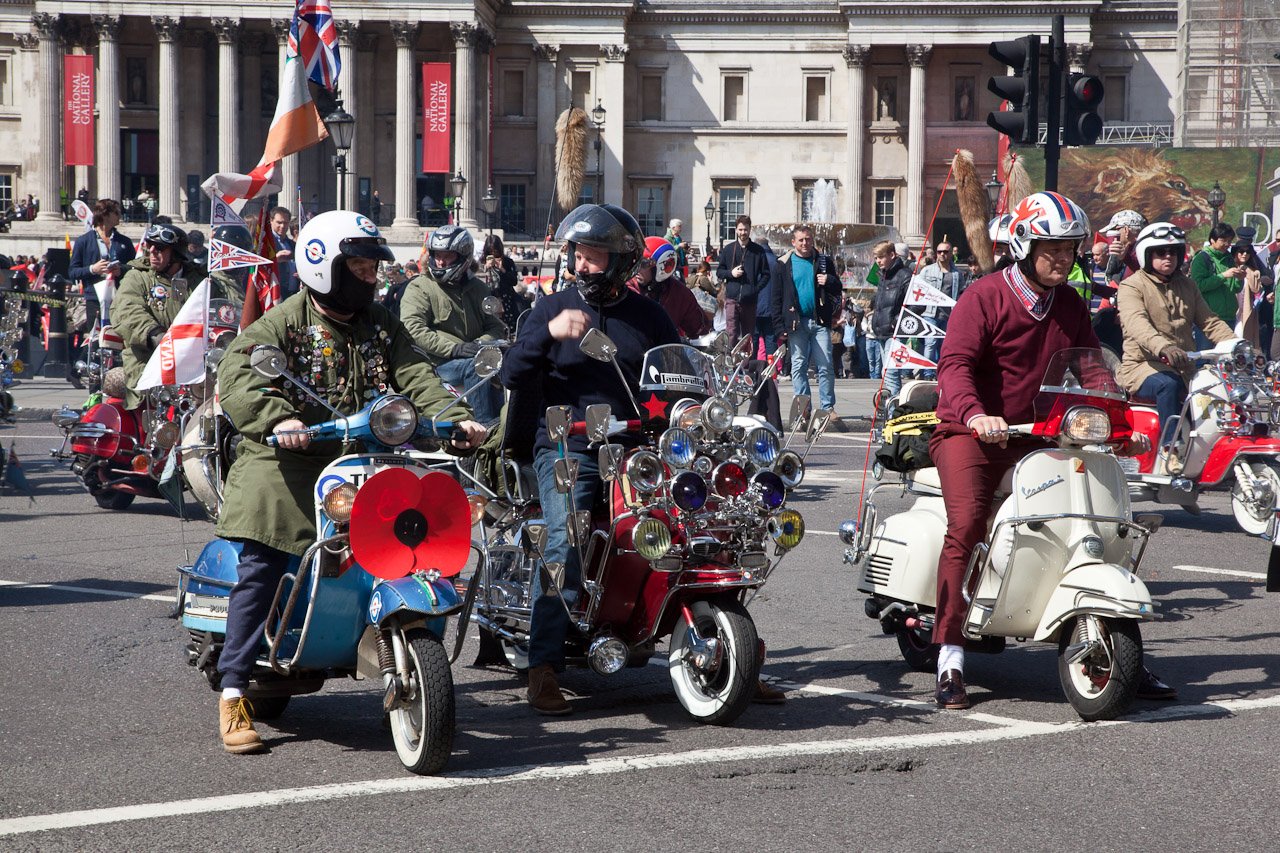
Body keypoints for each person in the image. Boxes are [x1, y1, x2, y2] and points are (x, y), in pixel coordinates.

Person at [211, 210, 487, 754]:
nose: (371, 277)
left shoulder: (381, 323)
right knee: (264, 561)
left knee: (414, 537)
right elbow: (238, 376)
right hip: (289, 461)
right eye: (359, 267)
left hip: (363, 455)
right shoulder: (282, 325)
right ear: (325, 268)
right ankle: (234, 689)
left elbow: (415, 376)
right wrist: (278, 419)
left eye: (371, 267)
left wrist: (456, 419)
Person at [929, 190, 1170, 710]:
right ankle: (950, 653)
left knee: (1100, 516)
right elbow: (955, 366)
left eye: (1070, 248)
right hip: (972, 433)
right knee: (968, 522)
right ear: (1023, 244)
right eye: (1051, 247)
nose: (1063, 257)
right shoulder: (984, 296)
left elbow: (1093, 371)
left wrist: (1125, 420)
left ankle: (1107, 632)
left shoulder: (1069, 304)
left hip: (1042, 433)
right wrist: (975, 415)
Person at [500, 203, 682, 715]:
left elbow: (680, 371)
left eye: (594, 255)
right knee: (567, 536)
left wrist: (688, 408)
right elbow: (512, 373)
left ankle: (722, 641)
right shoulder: (550, 308)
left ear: (622, 262)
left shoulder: (650, 315)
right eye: (578, 254)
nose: (582, 264)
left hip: (636, 447)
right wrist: (549, 332)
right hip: (567, 445)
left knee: (701, 518)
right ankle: (543, 665)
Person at [1116, 222, 1235, 434]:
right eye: (1161, 252)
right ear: (1147, 254)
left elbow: (1210, 321)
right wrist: (1164, 347)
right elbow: (1137, 324)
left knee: (1216, 388)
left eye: (1174, 252)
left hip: (1185, 368)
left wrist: (1238, 345)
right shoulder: (1131, 286)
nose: (1168, 256)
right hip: (1144, 366)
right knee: (1168, 385)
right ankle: (1171, 447)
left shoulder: (1188, 285)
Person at [400, 224, 507, 426]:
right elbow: (413, 329)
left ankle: (506, 428)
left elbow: (495, 326)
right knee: (477, 367)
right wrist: (455, 349)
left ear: (462, 256)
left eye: (447, 255)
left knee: (506, 365)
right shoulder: (419, 287)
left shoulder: (479, 288)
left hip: (474, 357)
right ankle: (483, 429)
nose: (440, 261)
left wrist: (479, 344)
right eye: (437, 255)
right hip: (434, 364)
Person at [111, 223, 207, 409]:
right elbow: (127, 310)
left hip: (195, 361)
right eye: (150, 245)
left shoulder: (199, 280)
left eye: (160, 248)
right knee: (153, 412)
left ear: (177, 254)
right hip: (149, 360)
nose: (152, 251)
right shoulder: (138, 277)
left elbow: (224, 306)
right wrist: (154, 334)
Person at [772, 224, 842, 426]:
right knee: (798, 365)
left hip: (819, 321)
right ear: (793, 242)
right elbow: (776, 298)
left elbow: (838, 288)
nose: (805, 243)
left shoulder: (823, 262)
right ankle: (803, 408)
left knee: (825, 364)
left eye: (808, 239)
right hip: (796, 323)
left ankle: (828, 407)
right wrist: (779, 327)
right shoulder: (783, 264)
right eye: (801, 240)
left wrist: (828, 279)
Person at [69, 199, 136, 344]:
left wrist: (121, 270)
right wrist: (93, 269)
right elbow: (72, 272)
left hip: (120, 298)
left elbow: (134, 268)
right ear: (105, 215)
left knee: (118, 339)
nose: (120, 216)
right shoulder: (83, 241)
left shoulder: (125, 242)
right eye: (116, 213)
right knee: (95, 340)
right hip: (94, 299)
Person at [630, 237, 711, 339]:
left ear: (661, 267)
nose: (637, 269)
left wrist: (707, 340)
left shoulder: (679, 294)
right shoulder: (626, 288)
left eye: (643, 264)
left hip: (663, 351)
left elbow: (699, 329)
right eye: (635, 262)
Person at [915, 240, 972, 377]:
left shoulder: (957, 273)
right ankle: (928, 373)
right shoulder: (927, 271)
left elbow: (961, 293)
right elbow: (917, 288)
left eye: (945, 252)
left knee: (944, 346)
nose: (942, 254)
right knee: (930, 343)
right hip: (930, 313)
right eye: (939, 252)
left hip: (948, 315)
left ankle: (940, 372)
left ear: (951, 253)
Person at [716, 215, 769, 353]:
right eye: (740, 229)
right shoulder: (728, 249)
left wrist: (755, 289)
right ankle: (729, 366)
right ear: (736, 230)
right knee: (731, 334)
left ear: (750, 230)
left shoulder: (758, 251)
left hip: (749, 300)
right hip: (732, 298)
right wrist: (731, 273)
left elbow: (766, 274)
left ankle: (747, 368)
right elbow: (719, 272)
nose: (742, 233)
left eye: (745, 230)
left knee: (748, 337)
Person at [868, 239, 913, 402]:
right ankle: (894, 409)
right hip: (881, 330)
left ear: (892, 255)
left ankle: (895, 412)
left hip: (894, 331)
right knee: (886, 373)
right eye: (876, 258)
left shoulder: (904, 275)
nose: (877, 261)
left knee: (890, 372)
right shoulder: (883, 275)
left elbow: (915, 305)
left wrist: (897, 321)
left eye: (880, 257)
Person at [480, 234, 530, 331]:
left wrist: (502, 269)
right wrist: (485, 267)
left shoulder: (507, 262)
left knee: (507, 326)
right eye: (490, 252)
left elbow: (514, 281)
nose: (493, 254)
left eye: (495, 251)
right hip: (488, 297)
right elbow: (477, 279)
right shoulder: (481, 262)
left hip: (506, 298)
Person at [1100, 209, 1147, 285]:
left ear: (1126, 230)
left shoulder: (1143, 248)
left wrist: (1125, 257)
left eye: (1115, 229)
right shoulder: (1129, 249)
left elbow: (1145, 271)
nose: (1110, 233)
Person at [269, 207, 299, 299]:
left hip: (294, 293)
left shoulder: (292, 244)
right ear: (271, 221)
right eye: (279, 222)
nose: (282, 226)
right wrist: (275, 259)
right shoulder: (266, 243)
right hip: (275, 294)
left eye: (285, 223)